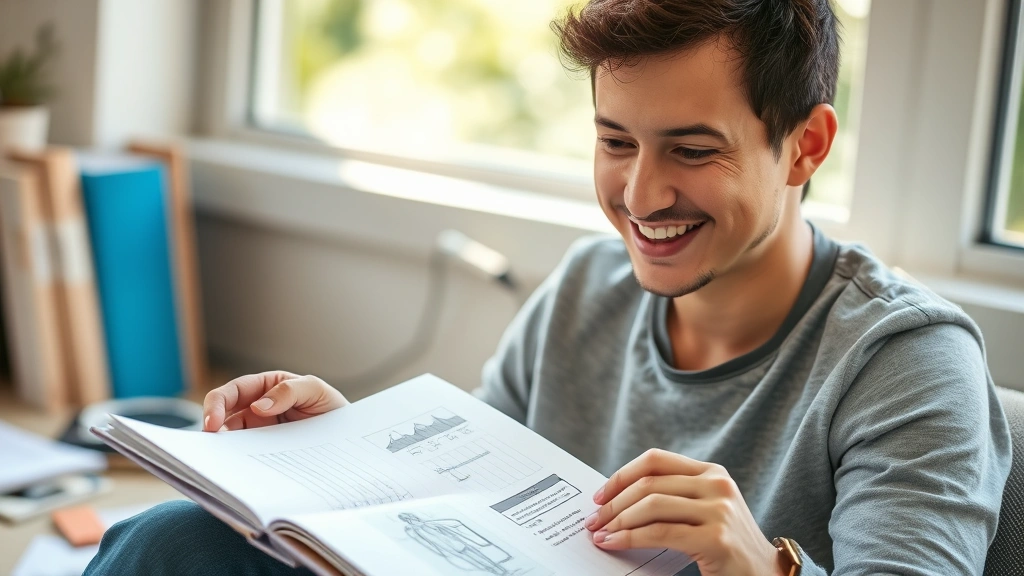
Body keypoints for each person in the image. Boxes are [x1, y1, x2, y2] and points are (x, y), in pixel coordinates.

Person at [85, 0, 1011, 575]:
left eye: (692, 150)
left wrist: (756, 567)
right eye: (616, 142)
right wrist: (346, 452)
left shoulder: (907, 360)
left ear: (805, 144)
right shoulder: (588, 286)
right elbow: (467, 502)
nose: (642, 197)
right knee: (166, 541)